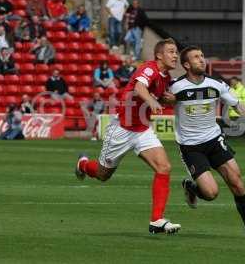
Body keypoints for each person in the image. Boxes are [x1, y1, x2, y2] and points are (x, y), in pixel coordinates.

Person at [166, 46, 245, 241]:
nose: (201, 60)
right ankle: (191, 187)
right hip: (191, 147)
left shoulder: (216, 84)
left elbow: (237, 105)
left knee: (237, 182)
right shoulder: (175, 86)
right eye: (196, 57)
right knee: (210, 194)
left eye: (202, 56)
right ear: (186, 64)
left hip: (214, 140)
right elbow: (161, 100)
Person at [74, 38, 181, 234]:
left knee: (164, 167)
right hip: (121, 129)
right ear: (159, 55)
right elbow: (140, 88)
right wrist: (152, 102)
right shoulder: (149, 69)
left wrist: (172, 100)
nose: (176, 55)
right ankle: (82, 164)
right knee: (102, 174)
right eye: (171, 51)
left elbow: (169, 99)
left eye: (176, 52)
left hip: (142, 130)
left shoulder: (166, 77)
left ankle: (156, 220)